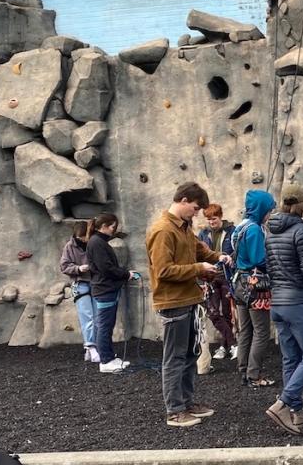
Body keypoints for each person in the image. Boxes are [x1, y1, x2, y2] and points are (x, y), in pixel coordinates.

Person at [145, 182, 229, 428]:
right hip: (173, 302)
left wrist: (219, 257)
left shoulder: (182, 228)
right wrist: (198, 269)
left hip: (189, 299)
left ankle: (187, 402)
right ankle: (174, 410)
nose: (196, 213)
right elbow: (163, 270)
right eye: (194, 208)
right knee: (174, 357)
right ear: (182, 200)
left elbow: (198, 250)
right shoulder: (162, 231)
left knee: (191, 354)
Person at [264, 183, 303, 436]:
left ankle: (298, 412)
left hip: (278, 302)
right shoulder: (302, 231)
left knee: (291, 358)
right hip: (298, 301)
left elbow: (269, 267)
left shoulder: (270, 231)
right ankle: (283, 404)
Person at [232, 189, 278, 389]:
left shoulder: (241, 227)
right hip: (255, 285)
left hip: (240, 283)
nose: (270, 214)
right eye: (269, 210)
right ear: (261, 209)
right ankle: (254, 374)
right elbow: (260, 259)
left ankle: (244, 371)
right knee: (261, 331)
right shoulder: (255, 229)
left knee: (245, 330)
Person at [85, 213, 137, 375]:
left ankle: (109, 357)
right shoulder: (97, 243)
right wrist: (126, 274)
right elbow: (106, 268)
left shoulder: (97, 242)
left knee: (106, 325)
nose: (114, 231)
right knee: (105, 326)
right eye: (113, 227)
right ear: (105, 226)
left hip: (106, 289)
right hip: (104, 289)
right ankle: (105, 360)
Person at [196, 203, 237, 373]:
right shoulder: (203, 234)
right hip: (210, 277)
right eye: (208, 219)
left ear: (220, 216)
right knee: (213, 312)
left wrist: (230, 260)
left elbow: (236, 251)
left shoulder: (232, 231)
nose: (211, 222)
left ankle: (224, 347)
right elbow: (198, 254)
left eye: (213, 218)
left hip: (226, 276)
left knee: (227, 313)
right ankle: (234, 343)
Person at [59, 221, 98, 363]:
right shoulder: (69, 246)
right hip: (80, 283)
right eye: (80, 237)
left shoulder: (93, 244)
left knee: (98, 316)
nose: (83, 239)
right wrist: (78, 269)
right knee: (87, 316)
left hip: (95, 283)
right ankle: (90, 347)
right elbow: (64, 266)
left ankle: (96, 346)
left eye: (85, 236)